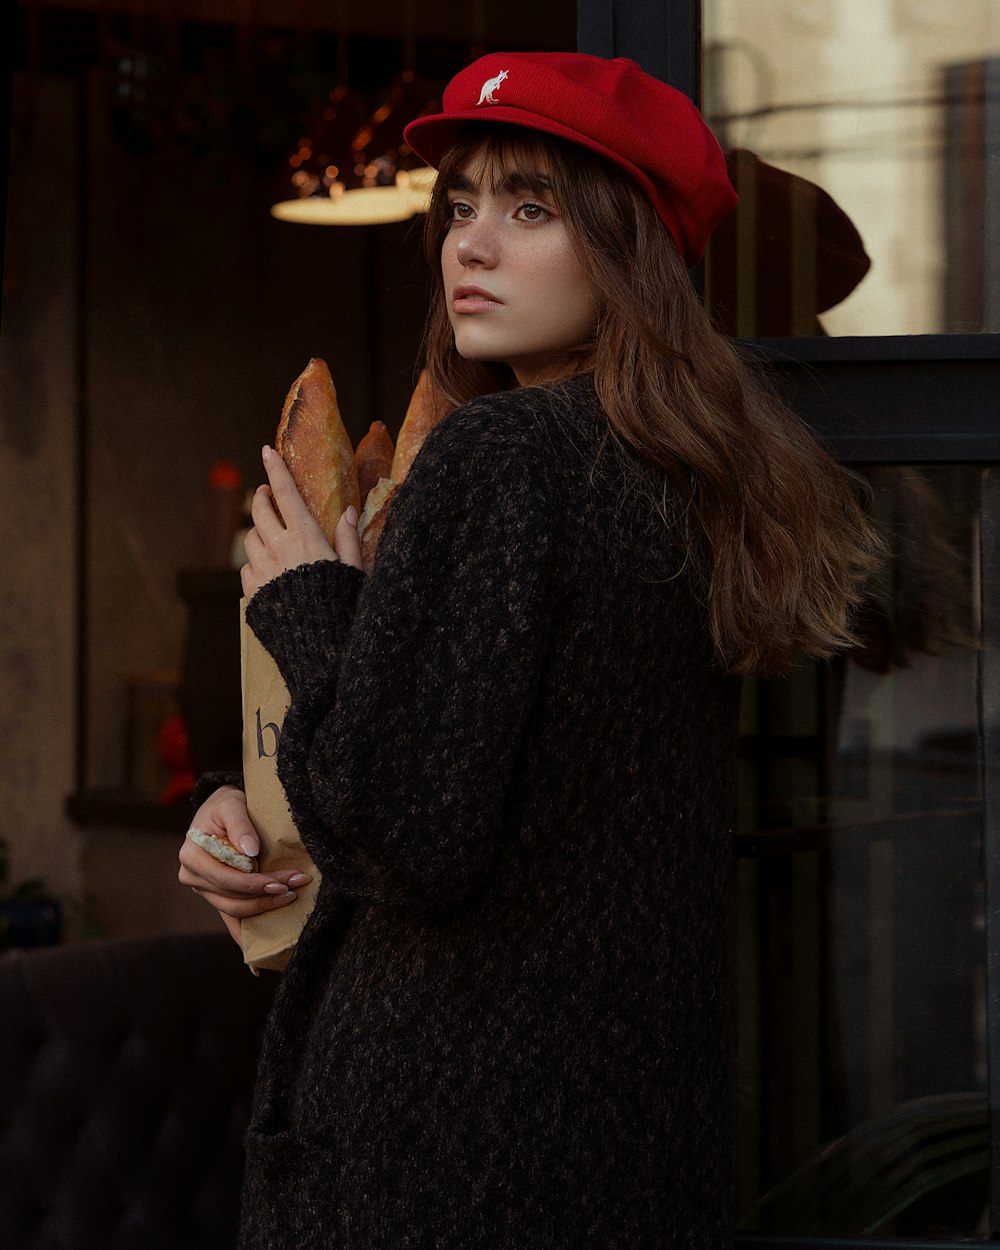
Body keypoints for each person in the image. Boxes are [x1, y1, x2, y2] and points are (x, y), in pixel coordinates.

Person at [178, 51, 878, 1249]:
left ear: (631, 252)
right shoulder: (692, 478)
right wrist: (230, 808)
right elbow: (527, 793)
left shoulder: (500, 459)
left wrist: (306, 603)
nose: (470, 244)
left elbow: (402, 830)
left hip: (443, 1154)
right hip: (617, 1132)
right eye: (461, 205)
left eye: (531, 208)